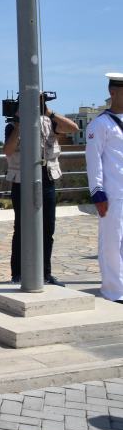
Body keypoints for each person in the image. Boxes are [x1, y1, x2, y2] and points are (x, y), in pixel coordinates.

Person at [3, 94, 78, 285]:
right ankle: (17, 273)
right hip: (21, 182)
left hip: (47, 180)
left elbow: (74, 128)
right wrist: (19, 124)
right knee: (21, 228)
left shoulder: (48, 123)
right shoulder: (12, 127)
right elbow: (8, 151)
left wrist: (49, 112)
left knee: (47, 229)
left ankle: (45, 273)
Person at [86, 73, 123, 303]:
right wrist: (97, 190)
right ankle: (113, 291)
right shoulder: (100, 124)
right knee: (111, 242)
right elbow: (93, 159)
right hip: (112, 193)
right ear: (113, 92)